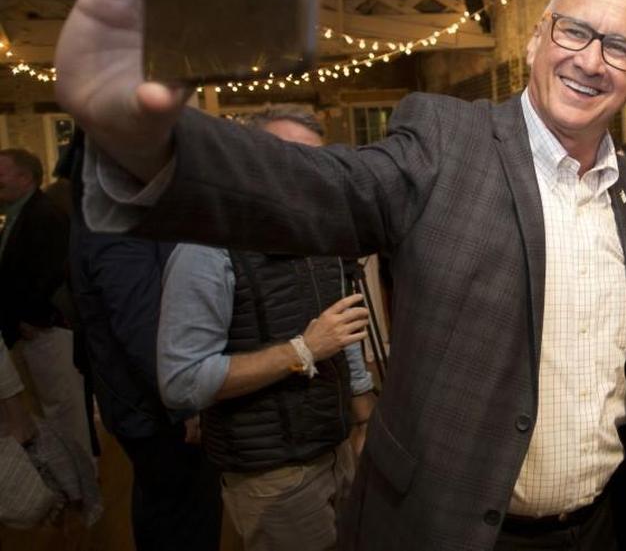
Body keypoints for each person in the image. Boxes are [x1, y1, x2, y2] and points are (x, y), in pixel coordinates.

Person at [53, 0, 626, 550]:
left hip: (602, 527)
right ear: (538, 39)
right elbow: (321, 188)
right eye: (575, 31)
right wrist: (150, 143)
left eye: (620, 48)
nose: (591, 60)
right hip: (454, 530)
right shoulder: (447, 141)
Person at [157, 106, 375, 551]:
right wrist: (302, 350)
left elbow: (342, 330)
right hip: (272, 477)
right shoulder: (206, 250)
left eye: (315, 160)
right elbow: (181, 382)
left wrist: (364, 420)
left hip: (337, 451)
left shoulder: (319, 233)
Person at [59, 130, 223, 551]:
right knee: (183, 519)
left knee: (169, 508)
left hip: (153, 402)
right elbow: (142, 324)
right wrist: (188, 400)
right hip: (157, 408)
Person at [0, 148, 93, 466]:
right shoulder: (20, 214)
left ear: (25, 177)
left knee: (64, 410)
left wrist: (30, 316)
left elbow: (53, 272)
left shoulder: (44, 214)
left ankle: (83, 481)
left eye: (1, 173)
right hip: (31, 330)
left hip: (48, 330)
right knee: (49, 408)